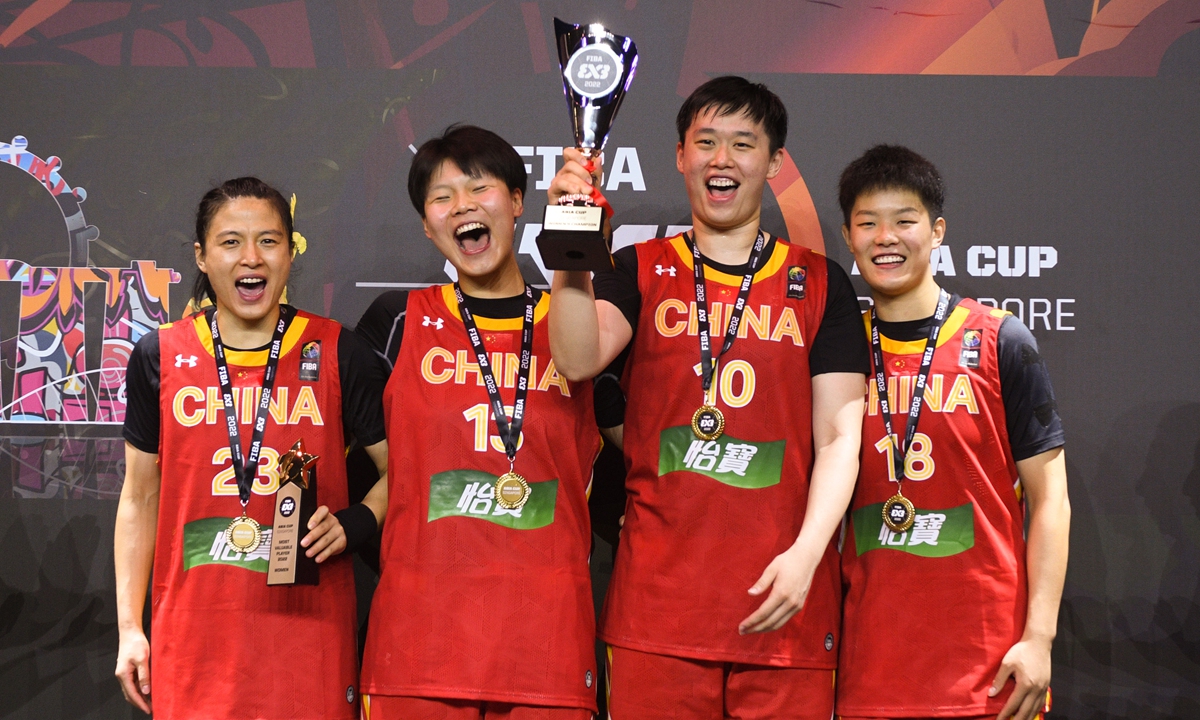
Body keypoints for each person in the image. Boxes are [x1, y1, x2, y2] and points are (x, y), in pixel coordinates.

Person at [546, 76, 869, 718]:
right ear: (680, 155)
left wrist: (808, 556)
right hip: (657, 613)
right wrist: (571, 243)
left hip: (787, 606)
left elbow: (839, 436)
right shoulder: (639, 268)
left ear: (774, 163)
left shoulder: (818, 280)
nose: (722, 160)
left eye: (743, 144)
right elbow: (577, 357)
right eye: (707, 142)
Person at [114, 177, 389, 719]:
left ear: (290, 251)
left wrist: (358, 520)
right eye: (230, 241)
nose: (251, 259)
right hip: (194, 640)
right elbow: (139, 498)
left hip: (309, 635)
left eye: (268, 240)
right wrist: (129, 628)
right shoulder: (159, 355)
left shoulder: (338, 350)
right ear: (202, 254)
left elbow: (407, 471)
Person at [357, 125, 601, 719]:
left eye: (479, 187)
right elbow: (336, 459)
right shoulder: (395, 322)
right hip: (419, 649)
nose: (462, 206)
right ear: (425, 223)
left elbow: (644, 452)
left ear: (518, 203)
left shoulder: (580, 328)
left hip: (546, 646)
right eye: (442, 197)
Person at [835, 145, 1070, 720]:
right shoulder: (834, 351)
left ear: (937, 230)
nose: (885, 237)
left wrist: (1039, 638)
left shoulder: (1000, 340)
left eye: (905, 221)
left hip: (987, 670)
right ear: (847, 236)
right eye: (868, 223)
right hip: (867, 668)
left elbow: (1051, 500)